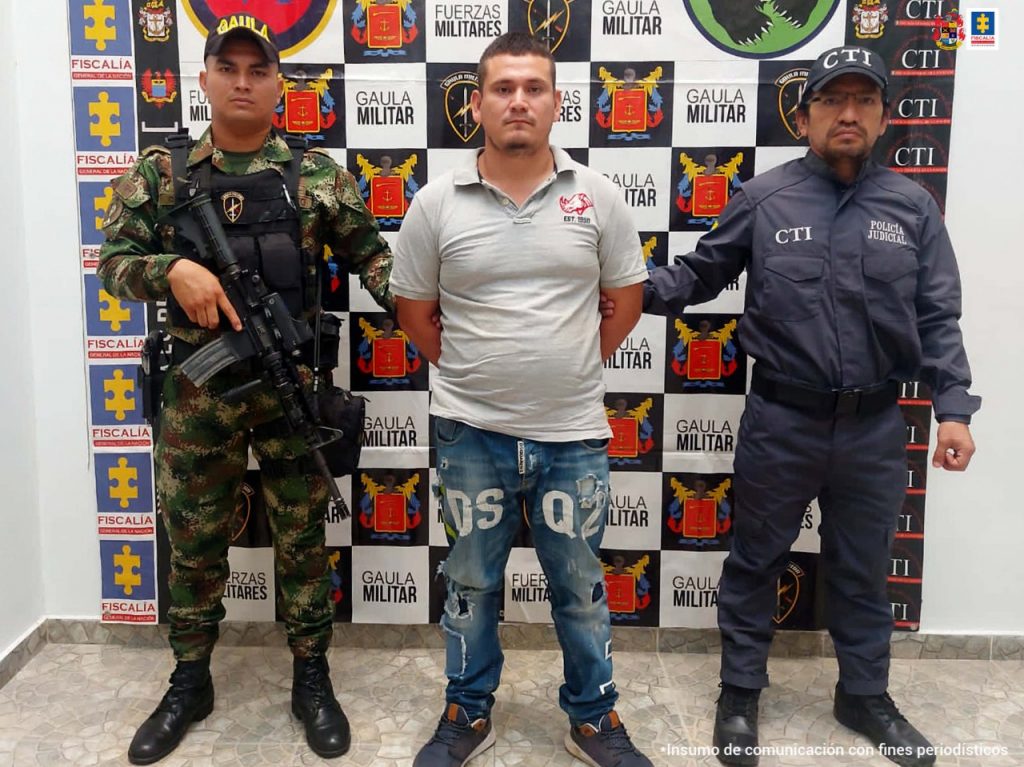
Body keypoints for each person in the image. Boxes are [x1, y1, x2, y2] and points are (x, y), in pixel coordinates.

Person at [642, 46, 979, 767]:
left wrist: (954, 408)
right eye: (833, 101)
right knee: (755, 558)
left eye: (863, 101)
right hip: (782, 421)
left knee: (861, 567)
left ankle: (863, 693)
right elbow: (698, 276)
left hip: (876, 426)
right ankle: (740, 691)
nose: (848, 113)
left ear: (885, 116)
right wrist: (615, 282)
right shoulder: (765, 198)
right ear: (805, 117)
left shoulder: (913, 207)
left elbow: (937, 316)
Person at [97, 14, 394, 764]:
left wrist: (451, 311)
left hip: (288, 387)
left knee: (302, 539)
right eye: (227, 68)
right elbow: (112, 263)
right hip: (197, 397)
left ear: (279, 86)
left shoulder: (319, 177)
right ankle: (190, 677)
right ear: (203, 79)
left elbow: (380, 266)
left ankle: (311, 676)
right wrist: (171, 269)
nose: (242, 81)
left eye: (257, 70)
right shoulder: (161, 175)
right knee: (193, 542)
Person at [391, 31, 654, 767]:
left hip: (573, 431)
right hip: (468, 432)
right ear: (476, 104)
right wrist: (477, 370)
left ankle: (594, 718)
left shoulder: (597, 196)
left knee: (580, 585)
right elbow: (415, 313)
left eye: (533, 87)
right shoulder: (436, 202)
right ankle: (467, 712)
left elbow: (625, 301)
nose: (517, 101)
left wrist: (568, 363)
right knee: (470, 582)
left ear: (556, 103)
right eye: (502, 88)